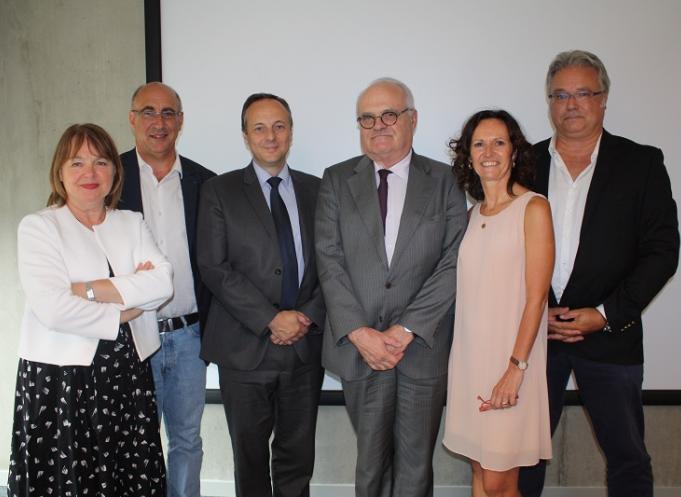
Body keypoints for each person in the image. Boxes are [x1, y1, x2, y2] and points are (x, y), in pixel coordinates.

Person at [518, 50, 679, 497]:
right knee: (524, 457)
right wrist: (531, 314)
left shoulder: (641, 163)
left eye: (583, 93)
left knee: (627, 457)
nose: (571, 104)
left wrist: (606, 313)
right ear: (549, 102)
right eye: (560, 95)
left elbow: (662, 250)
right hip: (536, 336)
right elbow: (501, 254)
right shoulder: (523, 165)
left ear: (604, 98)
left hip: (611, 336)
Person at [315, 77, 468, 497]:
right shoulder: (336, 179)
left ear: (412, 120)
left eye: (389, 114)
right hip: (359, 348)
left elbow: (454, 261)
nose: (378, 125)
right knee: (370, 467)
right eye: (367, 118)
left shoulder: (445, 180)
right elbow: (329, 261)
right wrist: (361, 334)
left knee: (416, 468)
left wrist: (405, 330)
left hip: (420, 347)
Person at [8, 123, 173, 496]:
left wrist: (85, 291)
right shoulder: (39, 227)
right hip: (61, 379)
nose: (89, 173)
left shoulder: (131, 222)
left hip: (127, 376)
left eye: (100, 162)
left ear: (115, 171)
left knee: (129, 478)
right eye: (77, 162)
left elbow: (162, 284)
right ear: (59, 172)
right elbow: (52, 309)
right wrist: (123, 309)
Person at [197, 93, 325, 497]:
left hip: (305, 349)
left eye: (279, 126)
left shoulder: (318, 190)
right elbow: (214, 267)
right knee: (250, 463)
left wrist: (304, 315)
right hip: (245, 348)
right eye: (259, 127)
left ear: (290, 131)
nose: (271, 136)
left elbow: (333, 264)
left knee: (297, 459)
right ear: (245, 135)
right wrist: (271, 318)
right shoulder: (219, 190)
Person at [442, 110, 554, 497]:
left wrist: (515, 368)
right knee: (479, 470)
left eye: (499, 142)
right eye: (479, 143)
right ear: (468, 155)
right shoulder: (472, 216)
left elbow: (537, 297)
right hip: (470, 363)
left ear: (514, 151)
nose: (489, 151)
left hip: (510, 365)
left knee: (499, 481)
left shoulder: (534, 208)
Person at [119, 82, 215, 497]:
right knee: (133, 443)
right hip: (131, 335)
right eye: (148, 112)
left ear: (180, 121)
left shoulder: (204, 182)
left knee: (187, 441)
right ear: (132, 118)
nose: (159, 122)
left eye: (169, 113)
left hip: (189, 336)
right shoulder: (109, 176)